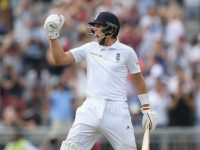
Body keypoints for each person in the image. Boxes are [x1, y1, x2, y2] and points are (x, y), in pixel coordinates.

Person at [44, 11, 157, 150]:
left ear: (110, 29)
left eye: (98, 26)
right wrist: (53, 36)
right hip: (90, 107)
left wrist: (146, 109)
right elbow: (59, 59)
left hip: (116, 110)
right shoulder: (90, 48)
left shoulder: (127, 52)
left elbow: (138, 81)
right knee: (69, 148)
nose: (94, 30)